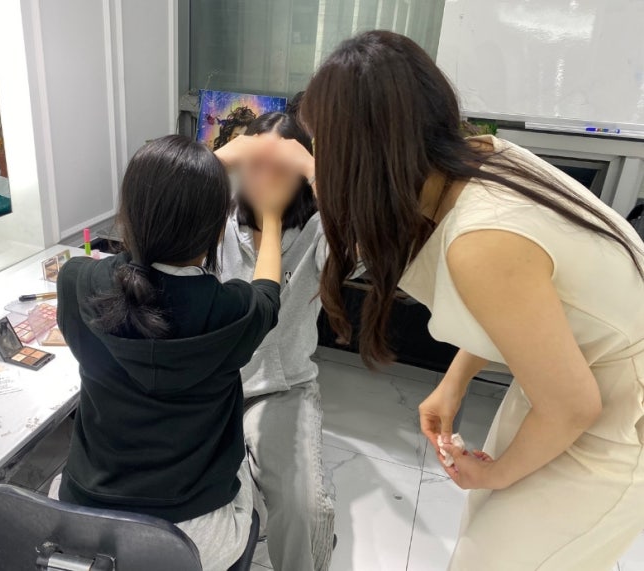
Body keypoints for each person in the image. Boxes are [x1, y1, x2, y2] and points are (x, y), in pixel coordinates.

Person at [266, 30, 644, 571]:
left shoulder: (479, 240)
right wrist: (454, 382)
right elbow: (521, 313)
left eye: (323, 144)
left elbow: (573, 407)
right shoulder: (481, 155)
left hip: (615, 416)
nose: (318, 160)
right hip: (571, 379)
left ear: (363, 152)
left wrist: (496, 473)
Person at [54, 135, 286, 571]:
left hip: (87, 522)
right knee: (247, 469)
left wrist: (191, 170)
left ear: (127, 216)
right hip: (193, 539)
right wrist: (271, 219)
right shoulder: (232, 311)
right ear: (217, 230)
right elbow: (268, 292)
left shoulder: (77, 282)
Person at [215, 112, 335, 571]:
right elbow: (162, 200)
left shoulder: (320, 230)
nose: (263, 179)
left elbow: (366, 254)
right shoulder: (217, 219)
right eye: (254, 164)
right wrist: (222, 158)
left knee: (304, 509)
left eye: (279, 168)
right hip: (213, 385)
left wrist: (314, 168)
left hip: (283, 389)